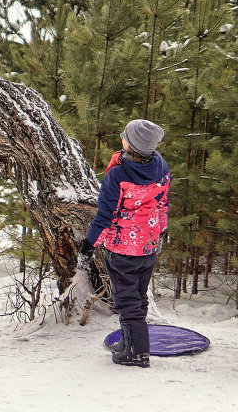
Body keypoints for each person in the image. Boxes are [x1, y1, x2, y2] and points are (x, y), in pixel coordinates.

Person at [81, 120, 170, 368]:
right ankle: (130, 345)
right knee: (138, 297)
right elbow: (162, 205)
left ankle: (138, 353)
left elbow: (105, 216)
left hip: (123, 249)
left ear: (130, 144)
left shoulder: (118, 174)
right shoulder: (160, 166)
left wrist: (88, 246)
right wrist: (161, 233)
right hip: (149, 245)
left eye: (124, 135)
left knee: (127, 301)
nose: (121, 137)